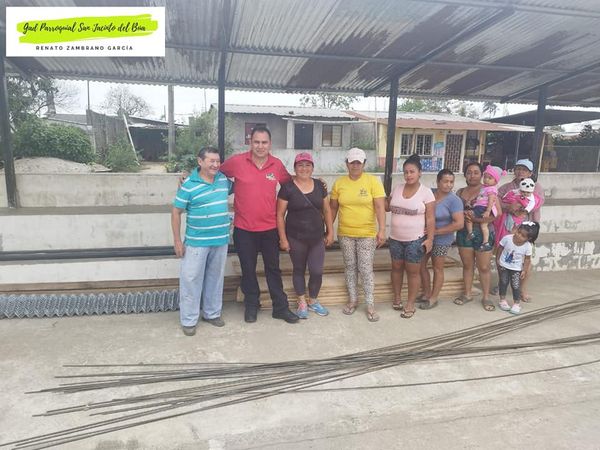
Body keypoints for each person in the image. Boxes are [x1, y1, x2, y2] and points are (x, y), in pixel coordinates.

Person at [219, 126, 299, 324]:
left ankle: (280, 307)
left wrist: (313, 181)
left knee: (273, 269)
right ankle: (252, 305)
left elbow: (290, 184)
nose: (260, 146)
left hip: (270, 228)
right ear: (250, 142)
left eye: (264, 142)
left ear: (270, 144)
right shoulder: (237, 162)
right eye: (256, 142)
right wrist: (191, 177)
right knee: (248, 270)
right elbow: (213, 171)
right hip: (244, 229)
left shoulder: (276, 165)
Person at [172, 147, 231, 336]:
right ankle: (189, 320)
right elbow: (176, 212)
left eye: (217, 161)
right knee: (191, 280)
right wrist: (177, 241)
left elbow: (245, 184)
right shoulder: (189, 184)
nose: (215, 164)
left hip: (220, 239)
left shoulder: (223, 180)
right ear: (200, 162)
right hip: (196, 241)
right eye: (211, 161)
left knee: (215, 278)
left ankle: (212, 313)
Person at [330, 147, 386, 322]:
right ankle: (353, 300)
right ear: (346, 163)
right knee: (350, 267)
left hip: (367, 234)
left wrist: (382, 230)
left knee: (366, 268)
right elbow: (333, 208)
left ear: (364, 164)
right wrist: (328, 229)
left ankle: (370, 304)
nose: (355, 166)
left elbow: (380, 207)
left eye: (358, 163)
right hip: (345, 233)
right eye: (352, 162)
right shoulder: (339, 183)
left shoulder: (373, 181)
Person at [276, 152, 334, 319]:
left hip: (317, 238)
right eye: (300, 165)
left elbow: (327, 210)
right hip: (295, 237)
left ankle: (313, 300)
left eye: (307, 165)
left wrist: (330, 232)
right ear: (295, 168)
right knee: (299, 269)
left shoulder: (319, 185)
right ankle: (301, 301)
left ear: (312, 168)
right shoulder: (287, 188)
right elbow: (280, 215)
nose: (304, 168)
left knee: (317, 271)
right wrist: (283, 239)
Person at [386, 154, 435, 318]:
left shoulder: (426, 193)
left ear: (420, 173)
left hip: (415, 240)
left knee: (413, 272)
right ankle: (397, 297)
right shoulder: (397, 188)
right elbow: (386, 206)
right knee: (396, 268)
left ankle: (410, 304)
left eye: (412, 172)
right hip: (395, 238)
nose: (408, 175)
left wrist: (430, 239)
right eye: (406, 172)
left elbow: (430, 218)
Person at [453, 162, 500, 312]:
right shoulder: (460, 192)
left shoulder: (489, 190)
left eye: (476, 172)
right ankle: (467, 294)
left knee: (484, 267)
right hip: (464, 233)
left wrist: (477, 220)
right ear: (465, 175)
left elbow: (497, 213)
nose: (472, 175)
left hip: (483, 232)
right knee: (467, 265)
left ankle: (486, 297)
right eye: (469, 172)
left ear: (481, 175)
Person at [495, 159, 544, 302]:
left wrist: (523, 205)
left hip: (526, 228)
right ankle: (502, 284)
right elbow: (497, 201)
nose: (520, 172)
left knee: (526, 258)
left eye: (524, 169)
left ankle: (522, 289)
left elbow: (537, 204)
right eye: (518, 168)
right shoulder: (507, 187)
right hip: (508, 228)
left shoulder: (536, 187)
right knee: (503, 256)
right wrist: (508, 207)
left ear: (530, 173)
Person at [419, 169, 464, 310]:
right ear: (438, 182)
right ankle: (426, 293)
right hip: (425, 237)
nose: (448, 185)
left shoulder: (454, 201)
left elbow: (459, 224)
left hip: (442, 239)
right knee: (420, 265)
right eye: (445, 181)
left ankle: (433, 298)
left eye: (451, 182)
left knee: (437, 268)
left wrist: (435, 232)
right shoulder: (429, 193)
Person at [496, 221, 540, 315]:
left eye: (522, 236)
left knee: (515, 285)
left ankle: (516, 303)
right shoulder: (507, 238)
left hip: (516, 268)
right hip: (504, 265)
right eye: (518, 232)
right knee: (503, 282)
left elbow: (527, 259)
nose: (518, 235)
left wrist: (524, 270)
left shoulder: (527, 246)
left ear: (528, 238)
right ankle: (502, 300)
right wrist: (498, 259)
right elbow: (500, 248)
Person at [494, 177, 543, 247]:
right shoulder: (511, 189)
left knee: (518, 231)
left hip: (522, 217)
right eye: (523, 192)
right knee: (508, 229)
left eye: (528, 192)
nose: (525, 194)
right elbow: (506, 195)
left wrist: (526, 210)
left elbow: (532, 204)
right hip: (509, 215)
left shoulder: (533, 197)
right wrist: (508, 204)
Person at [465, 165, 504, 252]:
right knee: (483, 225)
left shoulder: (491, 190)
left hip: (482, 209)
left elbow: (491, 202)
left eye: (489, 178)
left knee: (468, 216)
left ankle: (471, 233)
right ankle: (485, 242)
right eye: (485, 177)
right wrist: (471, 202)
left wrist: (487, 211)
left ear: (495, 181)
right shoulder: (484, 188)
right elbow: (479, 197)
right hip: (480, 208)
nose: (486, 180)